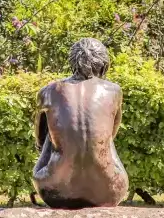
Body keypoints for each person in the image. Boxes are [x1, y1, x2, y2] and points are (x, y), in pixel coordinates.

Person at [32, 38, 130, 208]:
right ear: (103, 63)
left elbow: (39, 138)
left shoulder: (48, 91)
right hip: (109, 191)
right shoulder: (114, 91)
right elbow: (112, 134)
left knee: (51, 131)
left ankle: (61, 167)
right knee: (103, 137)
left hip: (54, 189)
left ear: (73, 61)